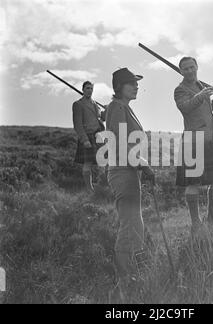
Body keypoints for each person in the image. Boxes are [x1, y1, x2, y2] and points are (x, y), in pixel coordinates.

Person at [105, 68, 155, 299]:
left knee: (135, 225)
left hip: (129, 170)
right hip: (122, 171)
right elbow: (119, 142)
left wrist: (141, 165)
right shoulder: (116, 107)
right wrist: (143, 165)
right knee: (130, 225)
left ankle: (130, 280)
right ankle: (123, 285)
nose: (136, 87)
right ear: (119, 87)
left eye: (136, 83)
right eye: (131, 83)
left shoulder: (123, 107)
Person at [174, 57, 213, 232]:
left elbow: (205, 109)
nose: (189, 71)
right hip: (193, 141)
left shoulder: (200, 86)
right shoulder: (179, 90)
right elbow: (186, 107)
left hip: (208, 139)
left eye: (192, 67)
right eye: (185, 69)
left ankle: (211, 217)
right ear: (181, 71)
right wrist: (201, 95)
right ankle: (196, 222)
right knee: (194, 183)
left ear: (197, 67)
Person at [72, 81, 106, 193]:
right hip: (88, 136)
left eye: (91, 88)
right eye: (87, 88)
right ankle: (89, 189)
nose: (89, 90)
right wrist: (84, 139)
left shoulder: (95, 104)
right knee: (88, 163)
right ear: (83, 89)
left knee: (104, 161)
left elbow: (101, 118)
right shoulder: (78, 104)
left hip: (98, 135)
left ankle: (102, 185)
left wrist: (107, 110)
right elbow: (77, 124)